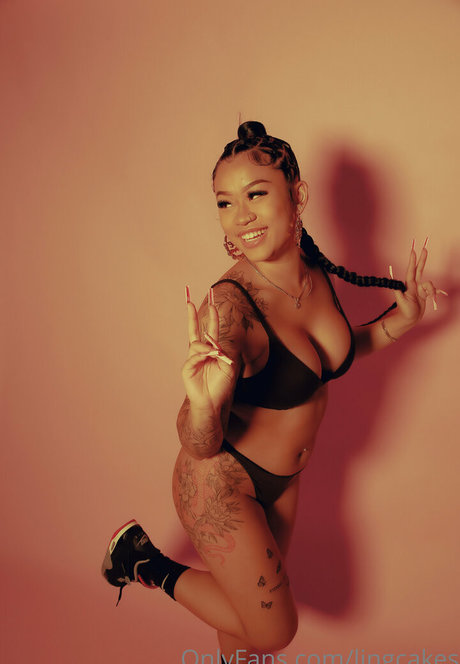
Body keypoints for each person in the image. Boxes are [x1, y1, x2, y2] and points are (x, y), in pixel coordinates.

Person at [101, 121, 445, 661]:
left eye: (255, 194)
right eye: (224, 202)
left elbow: (326, 357)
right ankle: (143, 561)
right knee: (271, 631)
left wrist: (399, 323)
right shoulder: (230, 309)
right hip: (221, 484)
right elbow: (199, 442)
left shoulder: (311, 270)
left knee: (244, 641)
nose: (240, 216)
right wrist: (203, 404)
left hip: (283, 483)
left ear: (297, 195)